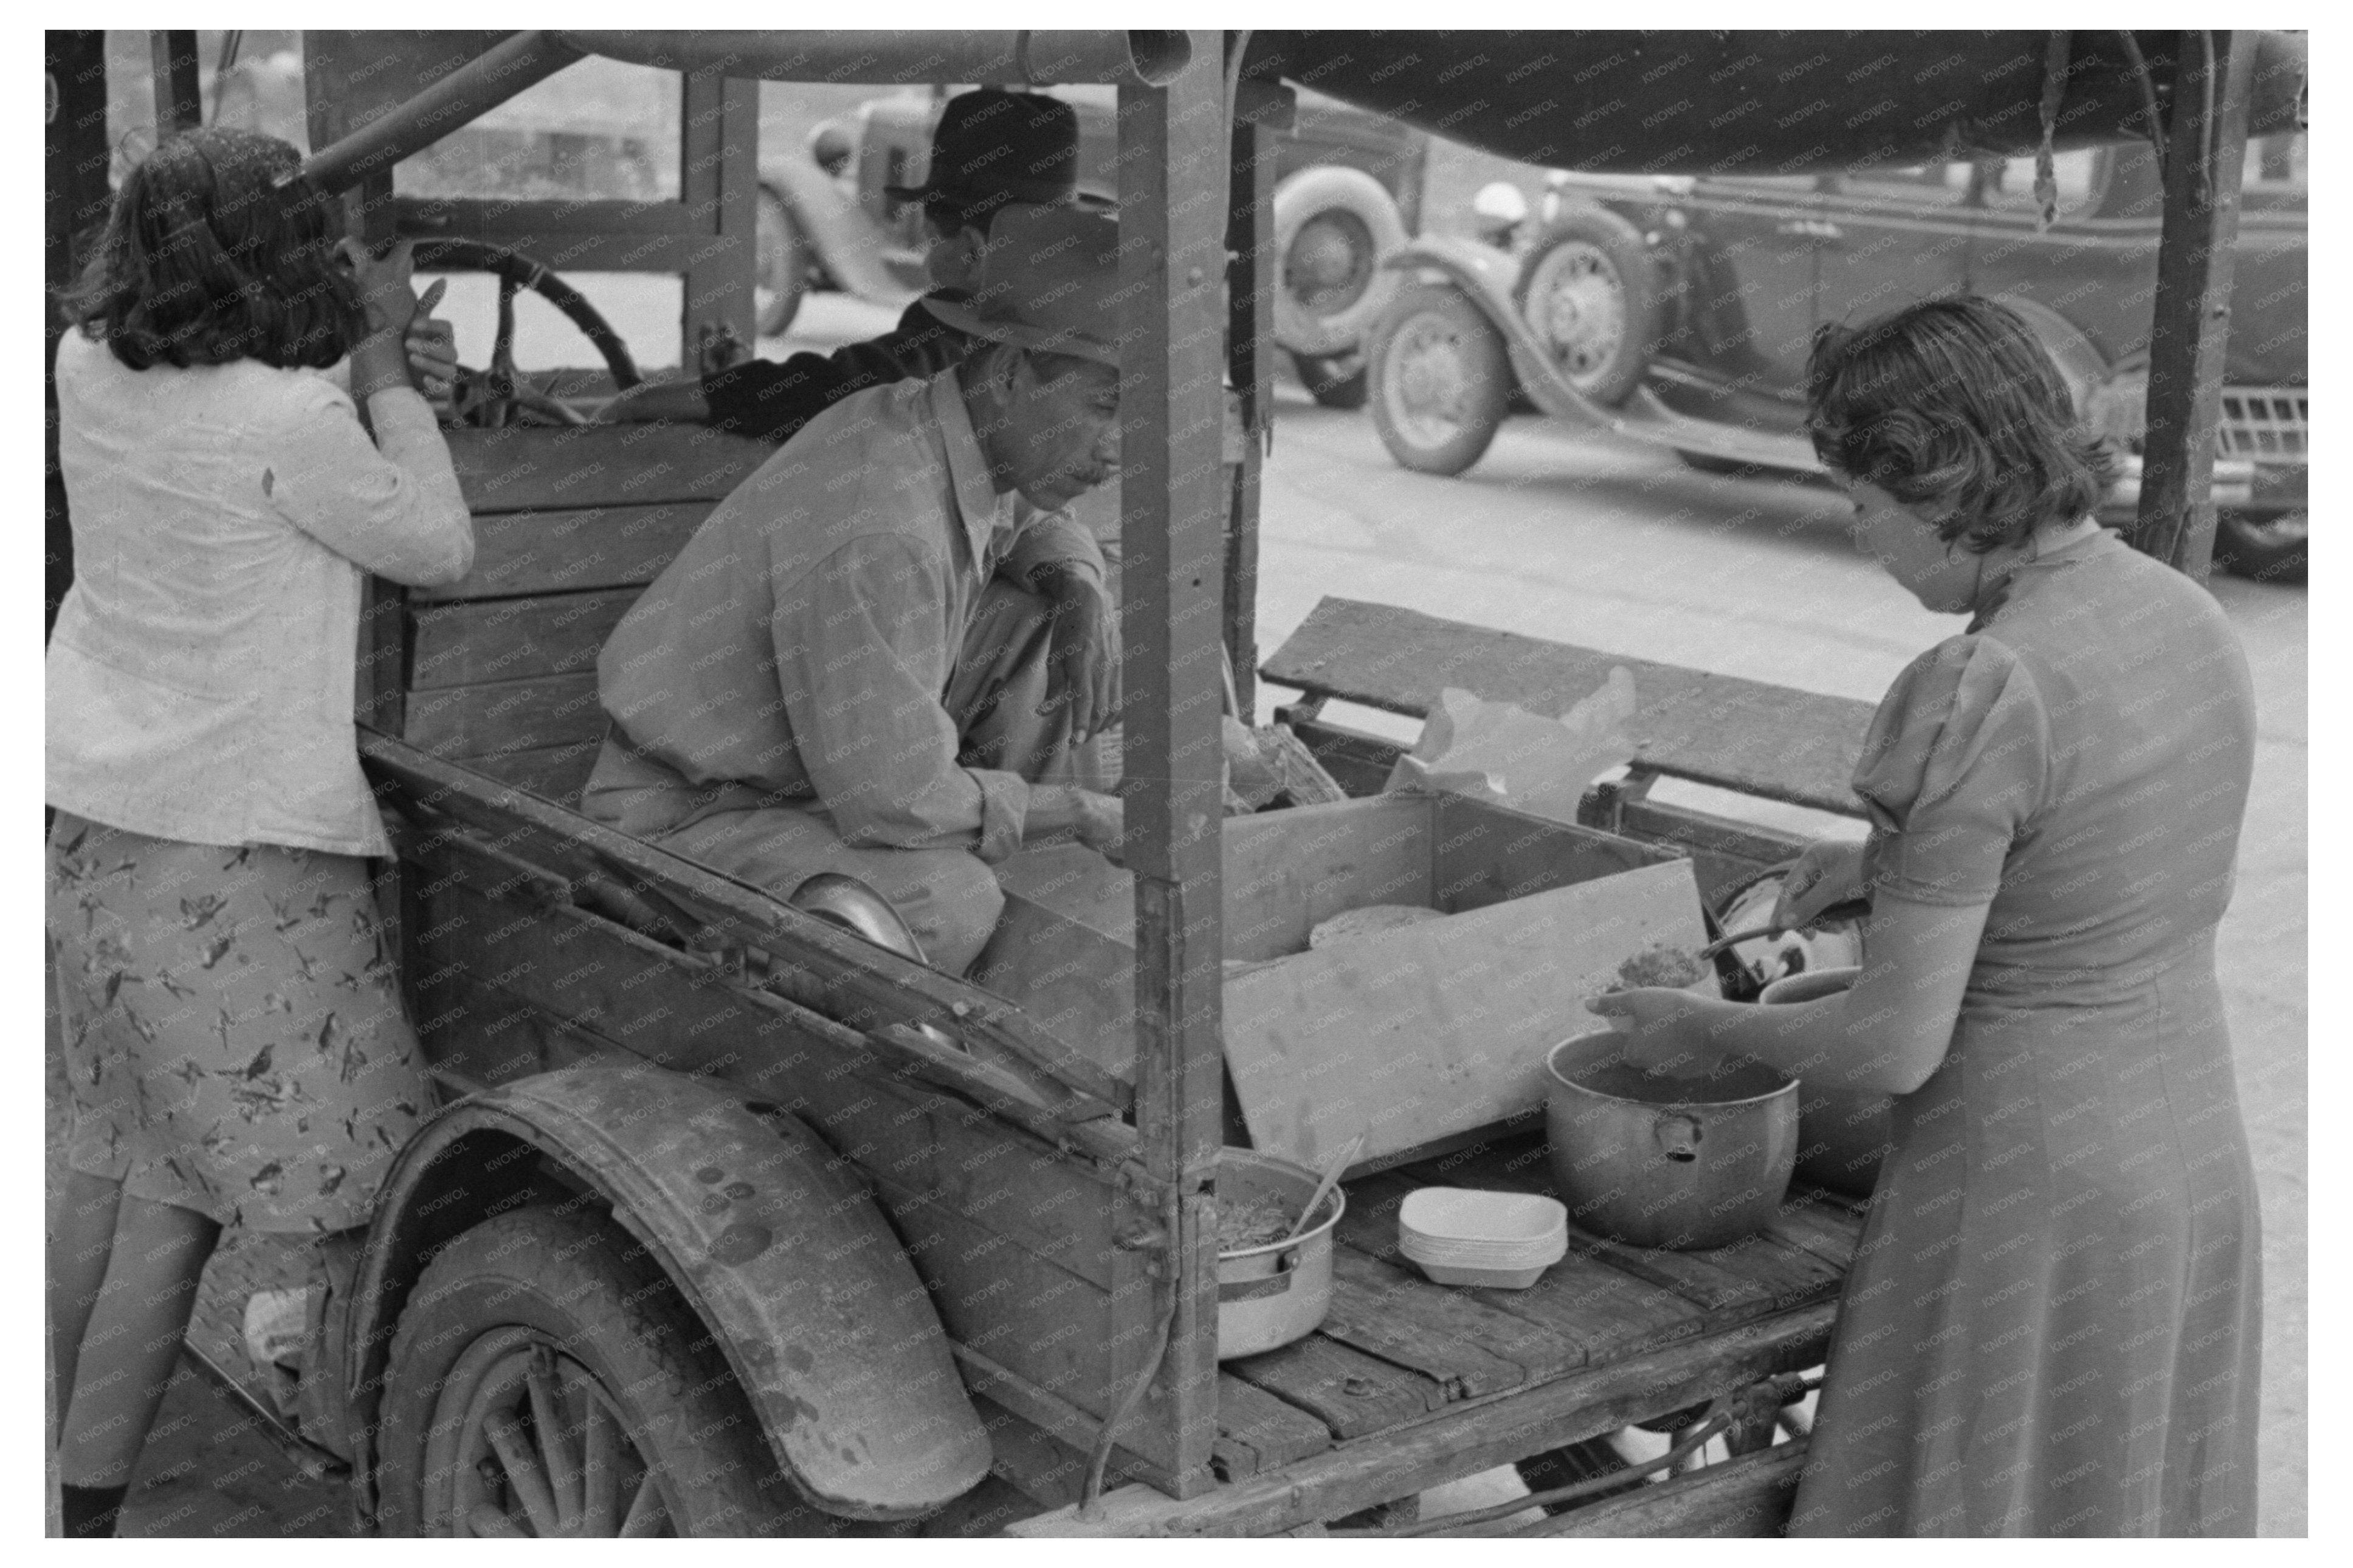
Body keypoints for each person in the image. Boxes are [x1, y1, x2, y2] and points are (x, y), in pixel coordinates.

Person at [1589, 297, 2262, 1536]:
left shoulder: (1979, 683)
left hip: (2020, 1190)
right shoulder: (2186, 617)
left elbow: (1895, 1046)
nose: (1861, 537)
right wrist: (1883, 860)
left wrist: (1705, 1028)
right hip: (2186, 1162)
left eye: (1862, 502)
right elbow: (2091, 856)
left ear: (1943, 487)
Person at [45, 127, 471, 1538]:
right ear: (291, 254)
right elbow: (439, 547)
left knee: (107, 1165)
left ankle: (55, 1497)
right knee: (243, 1192)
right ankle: (125, 1508)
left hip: (92, 822)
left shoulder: (87, 369)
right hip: (236, 860)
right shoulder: (290, 421)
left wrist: (360, 378)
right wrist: (393, 368)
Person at [583, 206, 1128, 976]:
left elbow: (1031, 521)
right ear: (1006, 373)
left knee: (1054, 617)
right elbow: (889, 798)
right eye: (1104, 407)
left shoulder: (938, 421)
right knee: (948, 903)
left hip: (812, 788)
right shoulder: (880, 526)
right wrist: (1073, 812)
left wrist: (1078, 585)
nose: (1119, 449)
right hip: (693, 819)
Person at [596, 88, 1083, 445]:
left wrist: (662, 400)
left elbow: (847, 386)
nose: (925, 248)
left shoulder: (962, 329)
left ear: (973, 249)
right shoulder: (1074, 313)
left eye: (933, 236)